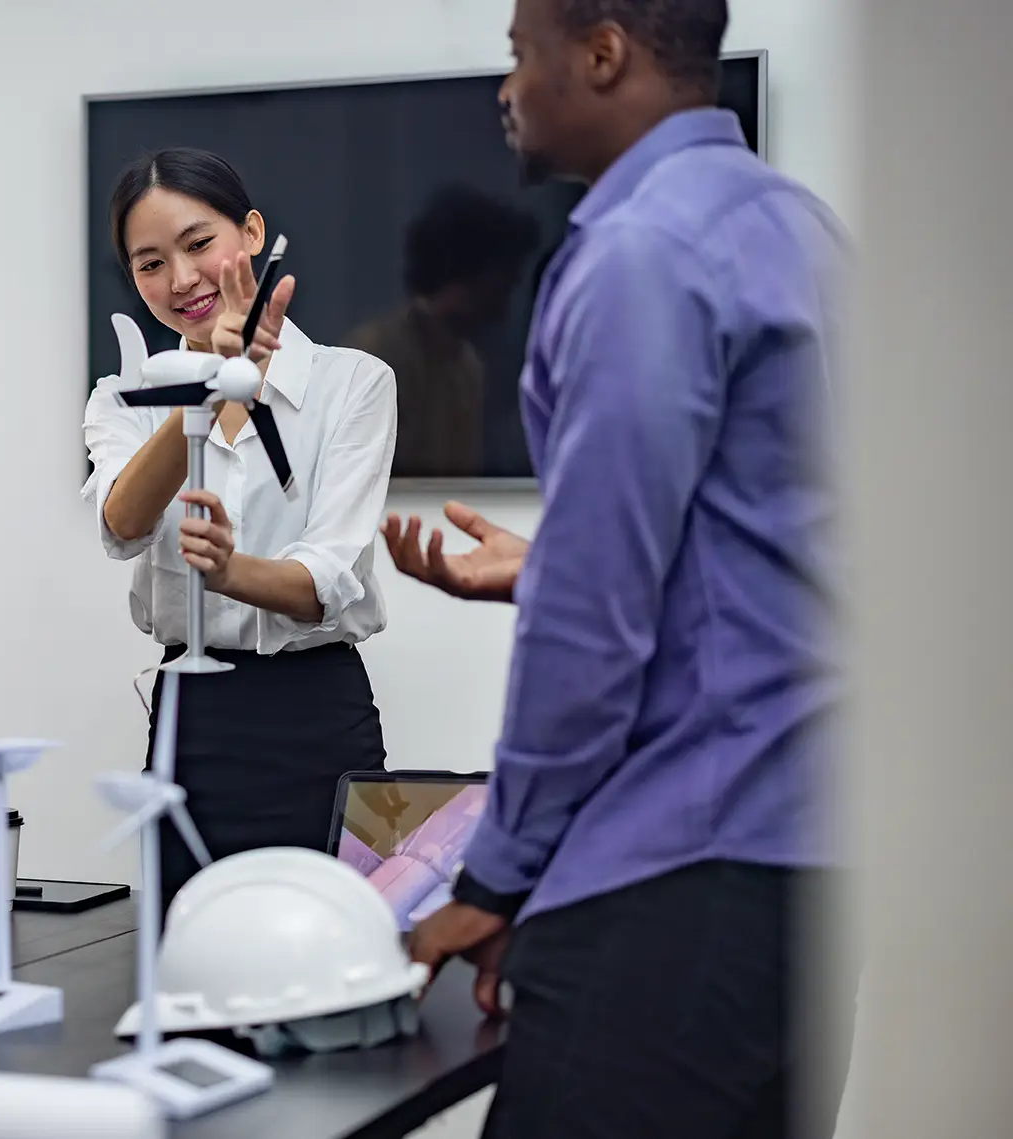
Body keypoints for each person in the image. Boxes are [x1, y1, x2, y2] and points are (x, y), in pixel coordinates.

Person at [392, 1, 848, 1136]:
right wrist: (548, 567)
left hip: (677, 872)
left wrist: (495, 876)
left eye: (519, 56)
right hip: (811, 861)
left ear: (602, 54)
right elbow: (773, 553)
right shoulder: (800, 227)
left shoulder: (640, 251)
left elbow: (595, 627)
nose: (507, 89)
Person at [82, 147, 398, 913]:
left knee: (341, 959)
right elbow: (123, 523)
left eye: (198, 244)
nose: (182, 280)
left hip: (317, 713)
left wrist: (228, 571)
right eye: (150, 263)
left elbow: (328, 577)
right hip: (193, 722)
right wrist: (204, 393)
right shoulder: (123, 396)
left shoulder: (353, 382)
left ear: (251, 233)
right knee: (189, 960)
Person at [344, 185, 541, 478]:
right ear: (472, 271)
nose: (511, 288)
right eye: (504, 274)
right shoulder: (374, 354)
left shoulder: (467, 365)